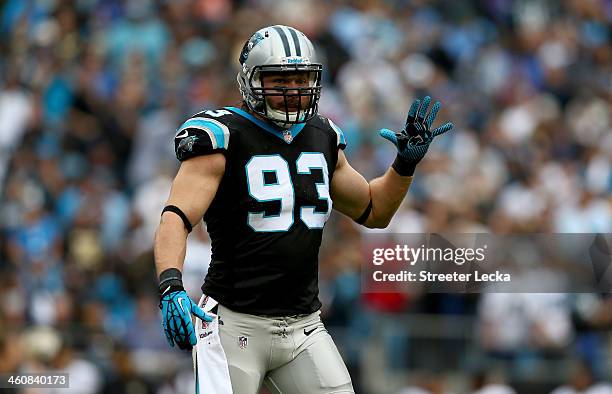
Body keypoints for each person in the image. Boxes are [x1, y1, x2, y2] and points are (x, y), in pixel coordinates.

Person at [153, 25, 453, 394]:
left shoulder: (322, 135)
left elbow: (375, 210)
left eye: (301, 79)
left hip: (304, 326)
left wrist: (403, 167)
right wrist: (171, 284)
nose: (293, 91)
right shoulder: (222, 135)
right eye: (279, 80)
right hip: (233, 323)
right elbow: (175, 218)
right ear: (250, 81)